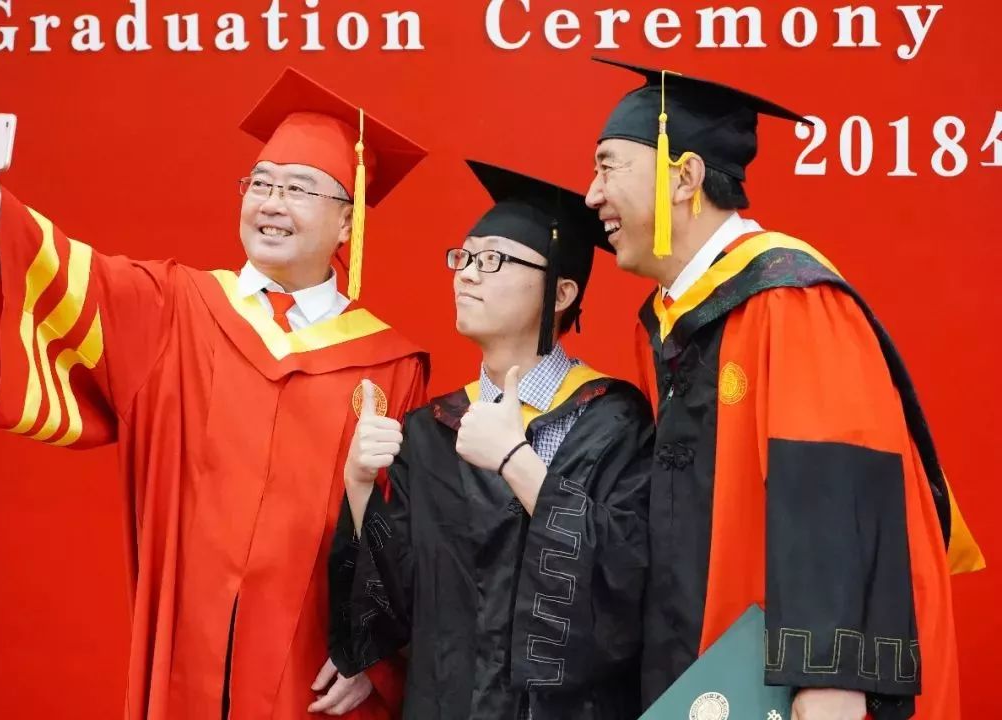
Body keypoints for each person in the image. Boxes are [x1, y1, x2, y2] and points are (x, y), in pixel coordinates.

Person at [0, 67, 429, 719]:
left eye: (298, 188)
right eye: (260, 183)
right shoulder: (176, 307)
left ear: (347, 224)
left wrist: (375, 655)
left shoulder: (389, 364)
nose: (271, 203)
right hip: (190, 653)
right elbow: (67, 275)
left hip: (312, 669)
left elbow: (406, 534)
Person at [584, 59, 985, 720]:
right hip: (707, 669)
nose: (591, 194)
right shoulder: (671, 321)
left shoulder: (789, 300)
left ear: (684, 177)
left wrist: (830, 676)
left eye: (607, 167)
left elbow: (838, 486)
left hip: (795, 684)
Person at [329, 161, 653, 719]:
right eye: (464, 258)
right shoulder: (431, 430)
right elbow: (388, 617)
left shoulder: (613, 421)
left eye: (494, 260)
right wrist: (359, 487)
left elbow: (628, 580)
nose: (467, 275)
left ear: (561, 293)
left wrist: (515, 461)